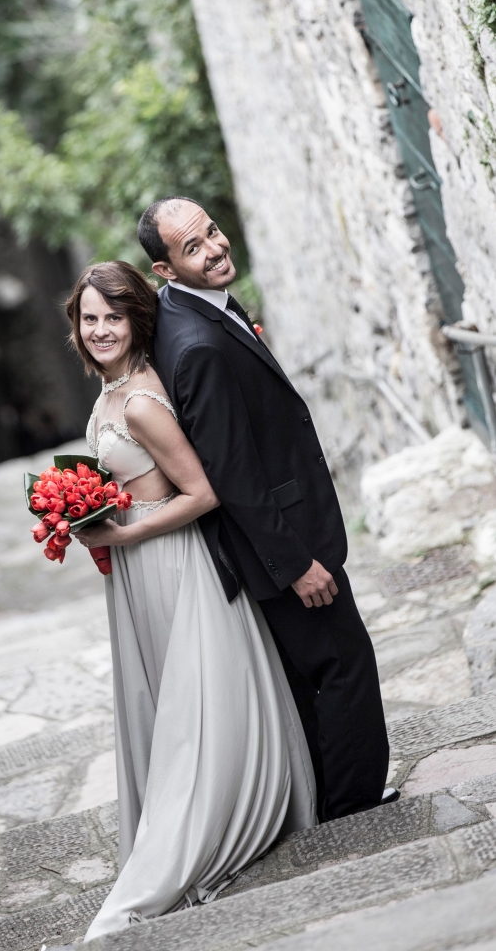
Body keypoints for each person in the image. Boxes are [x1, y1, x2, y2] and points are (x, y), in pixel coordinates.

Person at [64, 260, 316, 941]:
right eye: (89, 319)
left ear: (136, 320)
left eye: (113, 317)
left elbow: (202, 493)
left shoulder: (141, 402)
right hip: (136, 568)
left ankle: (202, 823)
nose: (100, 330)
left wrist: (126, 531)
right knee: (168, 698)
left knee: (191, 701)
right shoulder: (113, 391)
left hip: (170, 563)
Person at [137, 196, 391, 823]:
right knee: (342, 666)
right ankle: (352, 808)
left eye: (212, 232)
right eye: (192, 247)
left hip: (277, 536)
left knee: (312, 674)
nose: (214, 248)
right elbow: (233, 473)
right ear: (165, 270)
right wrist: (295, 563)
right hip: (282, 542)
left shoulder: (186, 309)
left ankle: (329, 799)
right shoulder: (197, 344)